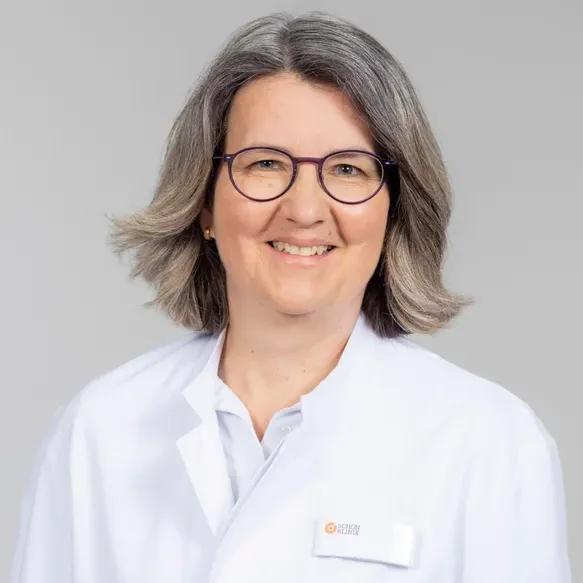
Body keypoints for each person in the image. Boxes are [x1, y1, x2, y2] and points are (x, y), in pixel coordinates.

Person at [10, 10, 572, 583]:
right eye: (265, 164)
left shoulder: (490, 443)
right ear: (204, 203)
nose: (304, 211)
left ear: (394, 210)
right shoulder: (99, 430)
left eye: (348, 169)